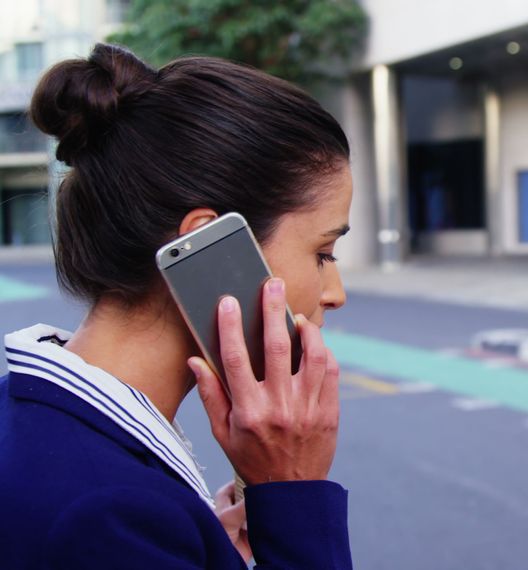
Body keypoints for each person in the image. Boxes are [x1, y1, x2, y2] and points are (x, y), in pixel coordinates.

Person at [0, 43, 354, 568]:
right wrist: (295, 492)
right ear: (210, 243)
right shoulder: (110, 516)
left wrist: (195, 545)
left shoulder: (33, 423)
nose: (336, 293)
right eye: (323, 252)